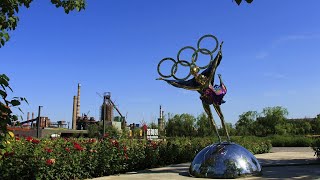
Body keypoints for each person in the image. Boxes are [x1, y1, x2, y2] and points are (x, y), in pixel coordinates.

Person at [157, 42, 230, 143]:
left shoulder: (207, 76)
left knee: (221, 116)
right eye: (196, 76)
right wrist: (165, 79)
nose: (199, 79)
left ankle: (227, 138)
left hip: (214, 96)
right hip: (205, 100)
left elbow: (213, 67)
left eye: (200, 77)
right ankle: (219, 139)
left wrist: (219, 52)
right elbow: (181, 84)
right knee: (210, 117)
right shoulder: (194, 84)